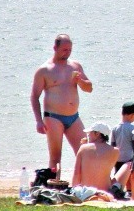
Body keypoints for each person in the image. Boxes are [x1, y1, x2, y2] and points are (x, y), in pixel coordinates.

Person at [30, 33, 93, 171]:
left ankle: (82, 186)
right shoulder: (45, 70)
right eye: (64, 49)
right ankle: (53, 188)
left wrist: (80, 81)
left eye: (70, 50)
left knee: (85, 152)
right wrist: (39, 121)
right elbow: (35, 96)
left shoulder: (75, 66)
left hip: (74, 117)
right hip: (53, 117)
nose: (67, 53)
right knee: (55, 157)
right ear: (55, 47)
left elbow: (89, 88)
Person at [71, 123, 119, 194]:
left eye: (89, 133)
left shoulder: (84, 148)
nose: (88, 135)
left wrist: (74, 191)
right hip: (105, 192)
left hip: (86, 192)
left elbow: (77, 174)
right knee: (120, 174)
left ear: (97, 134)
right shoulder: (115, 151)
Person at [111, 101, 134, 172]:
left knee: (118, 179)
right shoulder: (133, 129)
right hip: (129, 160)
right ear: (132, 115)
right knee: (128, 180)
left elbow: (112, 146)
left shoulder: (115, 128)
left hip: (117, 160)